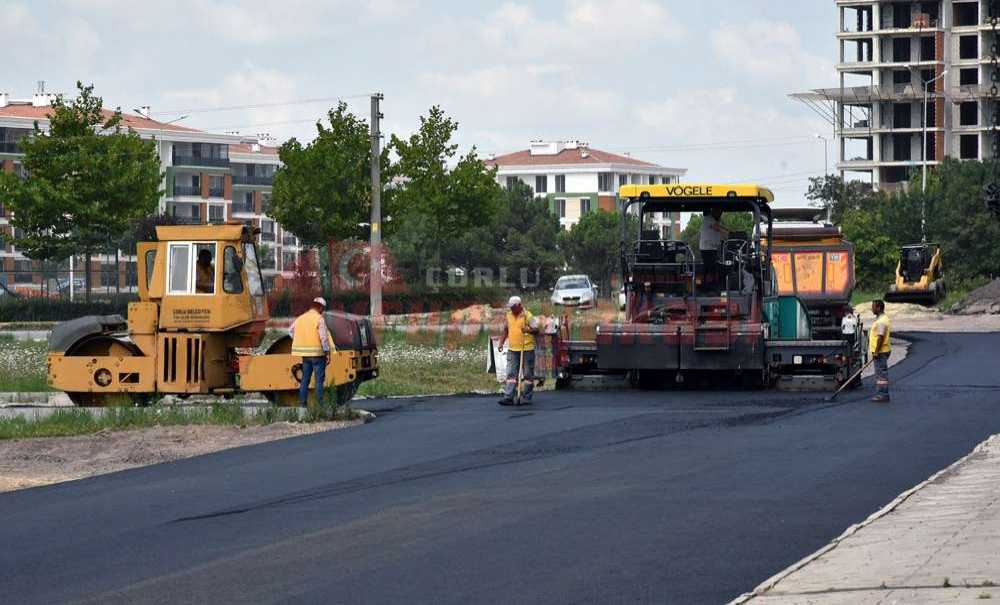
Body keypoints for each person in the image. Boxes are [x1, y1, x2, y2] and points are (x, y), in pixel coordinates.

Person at [497, 296, 540, 406]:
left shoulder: (527, 315)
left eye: (513, 307)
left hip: (527, 349)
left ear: (519, 306)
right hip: (513, 349)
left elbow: (536, 330)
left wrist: (528, 330)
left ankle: (526, 397)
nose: (511, 309)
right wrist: (501, 342)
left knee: (527, 374)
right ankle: (509, 397)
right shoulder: (509, 315)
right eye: (510, 307)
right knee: (511, 373)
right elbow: (506, 330)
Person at [289, 297, 331, 406]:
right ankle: (319, 406)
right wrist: (327, 352)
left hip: (305, 356)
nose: (323, 311)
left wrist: (300, 340)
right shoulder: (319, 319)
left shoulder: (300, 318)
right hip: (317, 355)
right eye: (323, 309)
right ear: (320, 307)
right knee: (318, 381)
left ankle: (302, 405)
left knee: (305, 380)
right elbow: (323, 338)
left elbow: (290, 331)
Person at [699, 208, 730, 290]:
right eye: (719, 212)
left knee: (711, 267)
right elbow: (718, 228)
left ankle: (708, 285)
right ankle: (709, 286)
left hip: (713, 248)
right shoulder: (708, 219)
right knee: (711, 268)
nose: (720, 215)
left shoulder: (716, 220)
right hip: (707, 249)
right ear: (714, 211)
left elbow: (720, 229)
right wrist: (731, 233)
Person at [869, 299, 891, 403]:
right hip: (881, 351)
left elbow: (880, 337)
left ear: (879, 308)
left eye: (873, 306)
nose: (872, 308)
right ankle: (882, 394)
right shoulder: (881, 318)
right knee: (880, 374)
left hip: (881, 352)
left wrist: (876, 351)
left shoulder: (882, 321)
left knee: (881, 374)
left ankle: (883, 394)